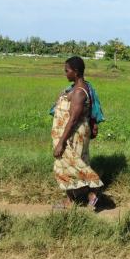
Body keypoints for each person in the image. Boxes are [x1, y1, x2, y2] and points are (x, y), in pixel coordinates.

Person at [51, 56, 104, 210]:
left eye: (67, 70)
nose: (65, 73)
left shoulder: (79, 93)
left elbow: (73, 120)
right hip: (72, 134)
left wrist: (61, 142)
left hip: (73, 135)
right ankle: (74, 199)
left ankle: (93, 190)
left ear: (76, 72)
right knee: (74, 164)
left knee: (65, 165)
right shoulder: (75, 89)